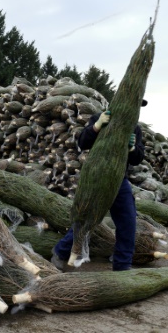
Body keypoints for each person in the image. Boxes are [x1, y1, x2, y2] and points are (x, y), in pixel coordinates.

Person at [52, 99, 147, 271]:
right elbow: (82, 143)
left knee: (128, 221)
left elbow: (138, 158)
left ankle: (122, 265)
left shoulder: (135, 128)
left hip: (119, 180)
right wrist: (96, 126)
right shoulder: (101, 117)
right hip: (96, 178)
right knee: (86, 220)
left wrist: (132, 148)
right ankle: (60, 252)